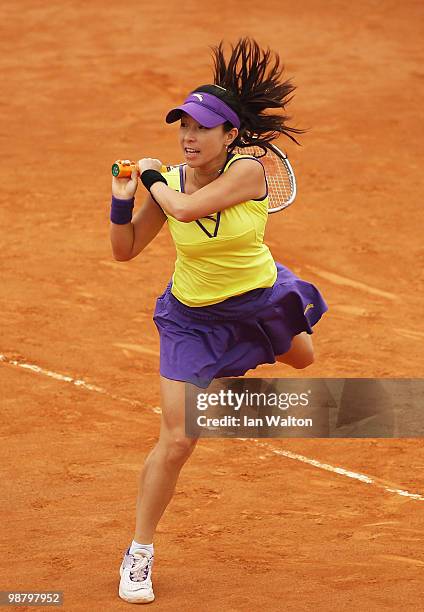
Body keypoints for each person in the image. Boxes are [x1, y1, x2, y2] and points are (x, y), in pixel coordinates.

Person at [110, 37, 328, 604]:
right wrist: (122, 198)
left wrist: (155, 175)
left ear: (231, 136)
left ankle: (235, 366)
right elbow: (126, 250)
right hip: (193, 319)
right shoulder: (170, 184)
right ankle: (140, 552)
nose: (188, 136)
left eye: (202, 128)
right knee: (179, 439)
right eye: (182, 125)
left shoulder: (250, 173)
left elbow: (183, 209)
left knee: (306, 359)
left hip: (259, 300)